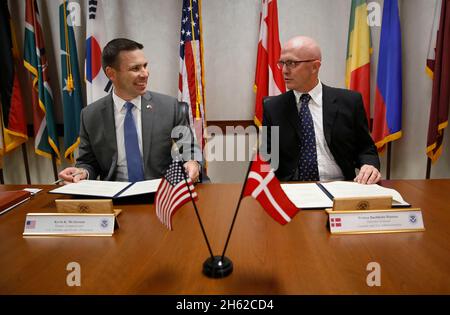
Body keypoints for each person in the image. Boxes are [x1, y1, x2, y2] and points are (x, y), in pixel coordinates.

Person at [58, 38, 202, 184]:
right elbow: (88, 163)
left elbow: (189, 151)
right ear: (111, 73)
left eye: (145, 66)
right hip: (114, 197)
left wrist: (192, 162)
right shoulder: (90, 116)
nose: (145, 74)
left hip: (160, 194)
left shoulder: (169, 107)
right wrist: (82, 173)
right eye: (135, 68)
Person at [261, 36, 380, 184]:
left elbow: (366, 148)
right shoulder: (273, 107)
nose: (284, 70)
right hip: (292, 188)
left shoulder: (349, 102)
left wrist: (369, 165)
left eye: (291, 63)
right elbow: (267, 157)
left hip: (341, 186)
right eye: (282, 63)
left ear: (315, 67)